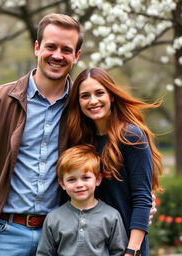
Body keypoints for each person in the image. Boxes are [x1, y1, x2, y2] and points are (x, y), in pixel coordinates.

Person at [0, 13, 82, 256]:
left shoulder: (83, 105)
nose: (57, 55)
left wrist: (141, 199)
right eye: (50, 47)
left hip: (61, 235)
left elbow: (109, 157)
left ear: (76, 56)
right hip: (3, 234)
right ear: (37, 48)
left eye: (66, 49)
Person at [66, 67, 162, 256]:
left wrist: (131, 251)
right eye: (85, 96)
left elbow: (142, 198)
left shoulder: (131, 136)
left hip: (125, 245)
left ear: (111, 95)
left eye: (99, 93)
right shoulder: (80, 140)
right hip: (88, 246)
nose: (93, 101)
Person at [36, 144, 128, 256]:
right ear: (62, 184)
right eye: (71, 179)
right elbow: (44, 253)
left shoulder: (111, 216)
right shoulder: (53, 218)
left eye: (85, 178)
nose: (79, 184)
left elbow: (118, 252)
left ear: (98, 179)